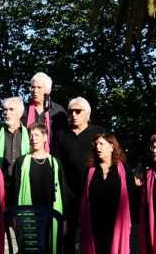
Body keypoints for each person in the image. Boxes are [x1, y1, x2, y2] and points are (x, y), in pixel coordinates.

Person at [51, 97, 105, 254]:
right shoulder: (61, 135)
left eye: (78, 111)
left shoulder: (98, 133)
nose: (73, 114)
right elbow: (56, 164)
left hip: (94, 192)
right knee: (69, 237)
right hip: (68, 193)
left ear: (87, 114)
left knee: (95, 236)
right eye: (71, 111)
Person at [11, 124, 67, 253]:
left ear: (45, 138)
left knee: (50, 247)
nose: (33, 138)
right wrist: (15, 216)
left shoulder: (55, 162)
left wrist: (64, 220)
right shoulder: (21, 161)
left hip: (51, 214)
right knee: (30, 248)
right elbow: (15, 190)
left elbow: (63, 191)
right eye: (31, 135)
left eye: (36, 135)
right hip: (28, 214)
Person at [79, 133, 132, 254]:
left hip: (116, 223)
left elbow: (131, 197)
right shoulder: (90, 170)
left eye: (101, 144)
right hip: (94, 224)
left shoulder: (123, 170)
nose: (98, 147)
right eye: (96, 144)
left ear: (112, 146)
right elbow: (83, 197)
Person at [0, 97, 29, 191]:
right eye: (5, 109)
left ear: (20, 113)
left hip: (23, 184)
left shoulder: (29, 135)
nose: (6, 113)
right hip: (0, 184)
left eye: (11, 109)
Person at [23, 73, 67, 150]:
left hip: (52, 156)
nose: (35, 91)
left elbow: (64, 136)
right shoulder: (23, 110)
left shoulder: (58, 111)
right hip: (27, 156)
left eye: (39, 87)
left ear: (47, 90)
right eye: (33, 87)